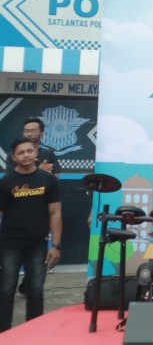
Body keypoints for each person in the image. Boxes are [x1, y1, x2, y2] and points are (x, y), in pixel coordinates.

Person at [0, 138, 62, 332]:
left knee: (35, 291)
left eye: (29, 151)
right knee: (6, 290)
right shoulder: (5, 182)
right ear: (13, 157)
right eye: (21, 152)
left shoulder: (49, 180)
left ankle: (32, 334)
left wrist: (56, 245)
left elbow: (55, 213)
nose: (26, 155)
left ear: (36, 153)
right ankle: (4, 334)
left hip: (38, 244)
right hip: (9, 243)